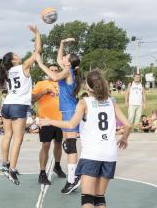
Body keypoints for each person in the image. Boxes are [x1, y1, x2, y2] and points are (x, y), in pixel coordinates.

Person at [40, 69, 131, 208]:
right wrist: (124, 138)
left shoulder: (84, 103)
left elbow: (70, 124)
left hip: (92, 155)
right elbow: (128, 125)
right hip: (110, 155)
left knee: (87, 200)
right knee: (100, 198)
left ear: (88, 86)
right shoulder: (111, 101)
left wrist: (50, 121)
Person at [0, 25, 41, 185]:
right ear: (13, 59)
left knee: (7, 135)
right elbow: (37, 52)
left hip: (6, 106)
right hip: (18, 106)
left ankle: (5, 163)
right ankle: (12, 169)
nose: (18, 54)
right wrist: (37, 34)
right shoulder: (22, 68)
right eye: (15, 54)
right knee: (18, 139)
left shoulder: (7, 73)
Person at [36, 38, 82, 194]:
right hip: (67, 111)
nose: (62, 59)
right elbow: (57, 59)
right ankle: (73, 178)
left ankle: (72, 179)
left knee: (71, 146)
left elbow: (54, 77)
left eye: (65, 57)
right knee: (69, 146)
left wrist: (40, 63)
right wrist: (61, 44)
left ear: (68, 63)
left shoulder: (67, 72)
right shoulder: (69, 69)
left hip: (70, 111)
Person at [32, 65, 66, 185]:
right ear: (47, 72)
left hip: (61, 120)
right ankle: (42, 173)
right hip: (46, 120)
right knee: (45, 145)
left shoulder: (63, 83)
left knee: (58, 144)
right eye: (51, 70)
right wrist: (44, 92)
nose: (54, 72)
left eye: (56, 70)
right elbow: (31, 99)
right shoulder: (41, 84)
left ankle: (57, 166)